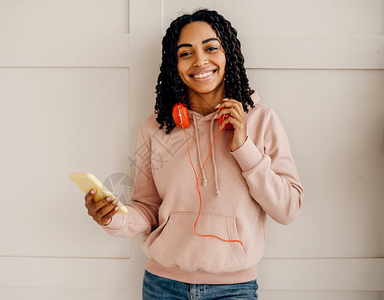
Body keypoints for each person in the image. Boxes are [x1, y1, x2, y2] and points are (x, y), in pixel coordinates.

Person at [85, 9, 303, 300]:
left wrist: (243, 146)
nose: (200, 61)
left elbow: (288, 209)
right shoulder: (156, 128)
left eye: (211, 48)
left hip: (234, 289)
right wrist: (114, 218)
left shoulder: (262, 120)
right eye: (186, 53)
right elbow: (148, 208)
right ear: (174, 64)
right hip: (162, 285)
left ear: (229, 54)